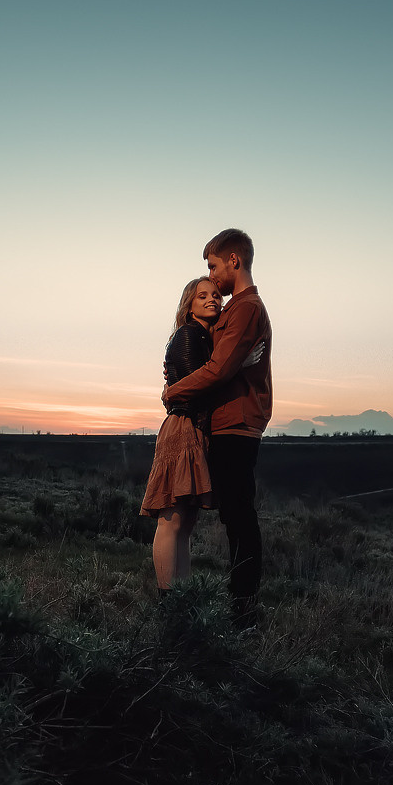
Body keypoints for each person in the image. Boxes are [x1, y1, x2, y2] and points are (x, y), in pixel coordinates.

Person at [162, 229, 272, 628]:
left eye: (213, 266)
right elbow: (210, 361)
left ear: (233, 261)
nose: (212, 278)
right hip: (222, 423)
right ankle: (237, 606)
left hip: (236, 424)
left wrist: (173, 389)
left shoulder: (244, 309)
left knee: (239, 516)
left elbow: (217, 369)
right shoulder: (231, 312)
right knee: (232, 516)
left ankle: (243, 610)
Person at [140, 277, 263, 596]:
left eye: (215, 296)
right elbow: (201, 386)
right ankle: (170, 601)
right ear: (189, 305)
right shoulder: (188, 336)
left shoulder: (204, 340)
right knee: (172, 521)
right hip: (182, 427)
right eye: (202, 296)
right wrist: (240, 365)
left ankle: (180, 598)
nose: (212, 300)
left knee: (184, 522)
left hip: (193, 429)